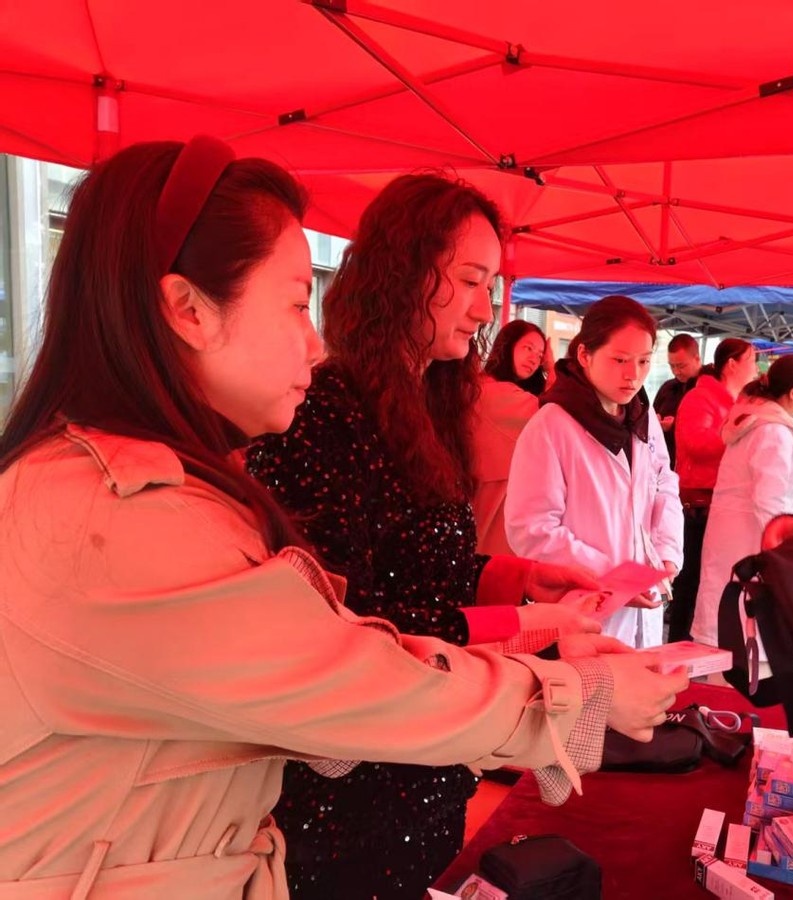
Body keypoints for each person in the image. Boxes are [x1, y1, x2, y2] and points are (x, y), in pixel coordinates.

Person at [0, 138, 687, 896]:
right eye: (297, 303)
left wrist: (513, 590)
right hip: (347, 807)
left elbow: (341, 642)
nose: (312, 340)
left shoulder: (147, 488)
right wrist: (569, 682)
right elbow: (349, 661)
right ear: (187, 309)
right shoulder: (117, 519)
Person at [247, 174, 612, 899]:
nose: (484, 309)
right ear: (402, 273)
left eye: (491, 286)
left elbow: (421, 565)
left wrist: (513, 578)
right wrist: (526, 626)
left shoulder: (425, 405)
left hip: (429, 762)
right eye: (471, 281)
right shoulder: (322, 414)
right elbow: (349, 623)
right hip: (350, 790)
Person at [507, 295, 685, 648]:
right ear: (585, 355)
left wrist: (666, 553)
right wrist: (613, 578)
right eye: (619, 360)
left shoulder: (642, 417)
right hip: (581, 612)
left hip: (643, 605)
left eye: (644, 361)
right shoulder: (552, 424)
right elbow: (532, 528)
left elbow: (665, 484)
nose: (633, 374)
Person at [691, 356, 793, 654]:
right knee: (742, 642)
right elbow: (772, 503)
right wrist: (787, 552)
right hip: (752, 545)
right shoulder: (773, 432)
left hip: (738, 543)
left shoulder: (755, 423)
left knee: (726, 636)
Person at [669, 338, 760, 642]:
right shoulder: (701, 397)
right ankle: (680, 646)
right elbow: (695, 443)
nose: (756, 368)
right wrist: (732, 434)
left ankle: (698, 645)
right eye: (751, 360)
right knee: (692, 581)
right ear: (732, 364)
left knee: (710, 581)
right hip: (699, 505)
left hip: (722, 505)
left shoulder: (736, 401)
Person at [473, 320, 554, 555]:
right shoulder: (498, 392)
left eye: (539, 355)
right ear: (507, 345)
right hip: (495, 501)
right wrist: (551, 368)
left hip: (489, 495)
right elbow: (556, 414)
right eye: (528, 348)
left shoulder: (482, 385)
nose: (534, 359)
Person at [653, 333, 703, 467]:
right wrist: (655, 422)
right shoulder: (667, 387)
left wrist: (674, 427)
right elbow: (652, 415)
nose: (676, 371)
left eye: (681, 366)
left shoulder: (708, 389)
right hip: (665, 462)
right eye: (672, 366)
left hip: (694, 467)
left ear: (697, 359)